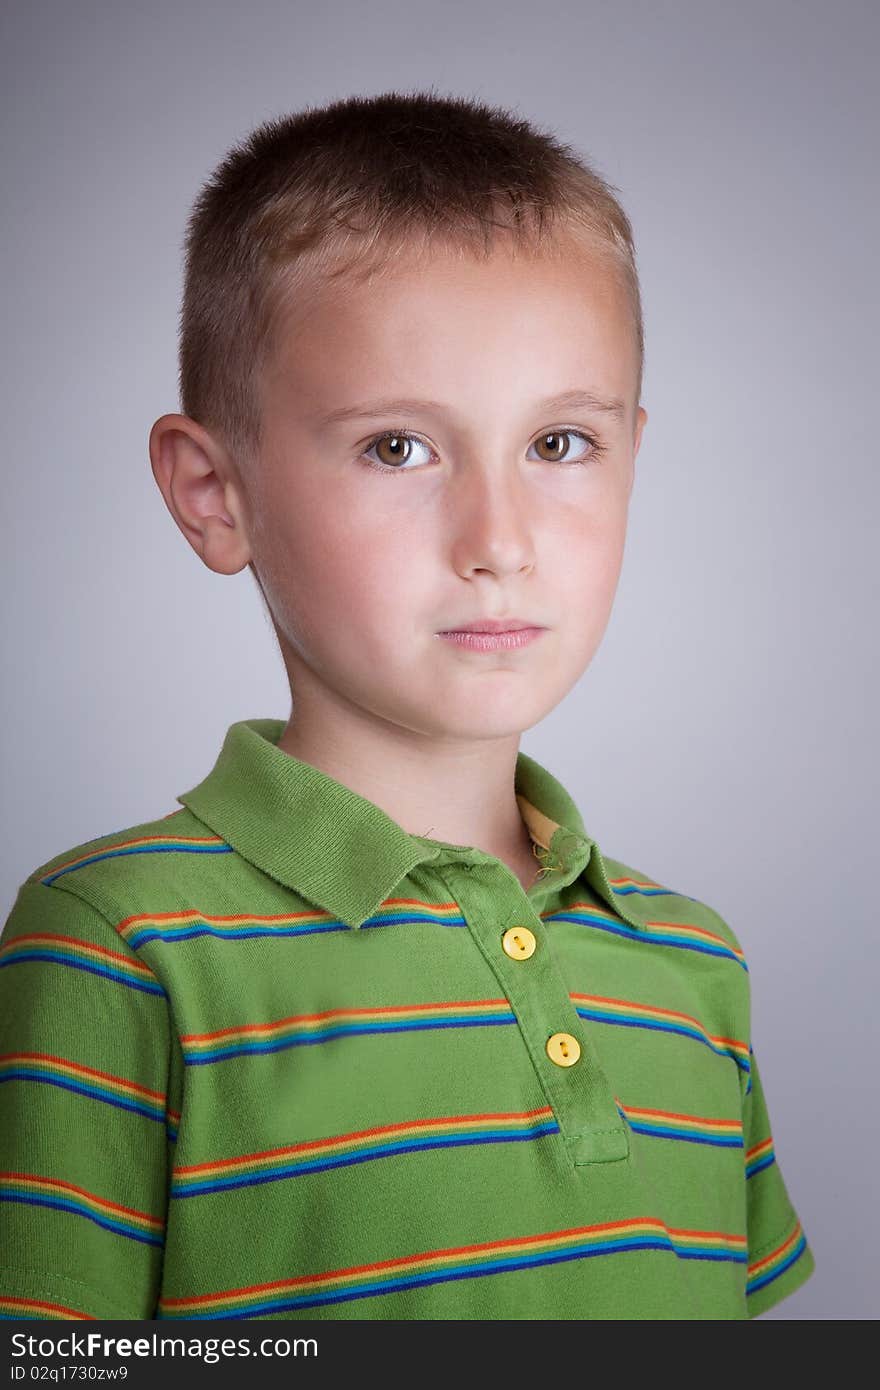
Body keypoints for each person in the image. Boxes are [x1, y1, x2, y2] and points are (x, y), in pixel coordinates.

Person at [0, 90, 814, 1321]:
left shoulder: (693, 959)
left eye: (559, 445)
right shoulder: (118, 949)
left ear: (634, 458)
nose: (499, 540)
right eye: (397, 448)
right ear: (215, 493)